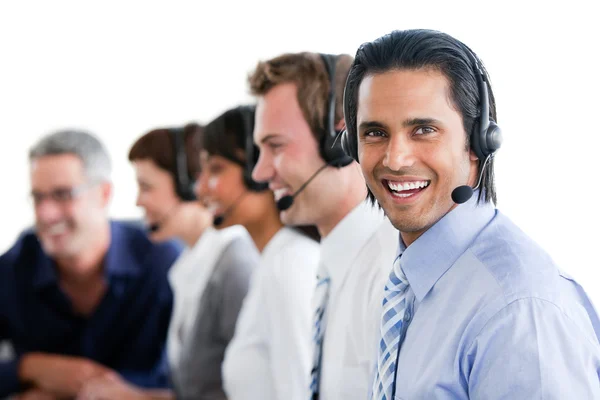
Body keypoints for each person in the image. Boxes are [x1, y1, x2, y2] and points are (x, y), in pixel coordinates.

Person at [341, 28, 600, 399]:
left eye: (424, 129)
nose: (395, 159)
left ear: (479, 143)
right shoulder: (410, 279)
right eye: (375, 133)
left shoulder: (518, 311)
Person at [250, 52, 398, 400]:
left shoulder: (391, 279)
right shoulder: (331, 265)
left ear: (341, 144)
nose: (259, 172)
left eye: (275, 146)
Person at [77, 123, 259, 400]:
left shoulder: (234, 265)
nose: (138, 201)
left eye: (146, 187)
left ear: (190, 186)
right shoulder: (190, 264)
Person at [0, 130, 181, 399]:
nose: (45, 214)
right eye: (38, 197)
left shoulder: (163, 263)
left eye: (63, 195)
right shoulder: (14, 268)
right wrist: (31, 368)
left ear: (104, 194)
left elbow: (205, 384)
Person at [196, 105, 320, 400]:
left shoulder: (289, 264)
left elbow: (299, 392)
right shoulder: (273, 261)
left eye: (216, 169)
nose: (200, 188)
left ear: (259, 170)